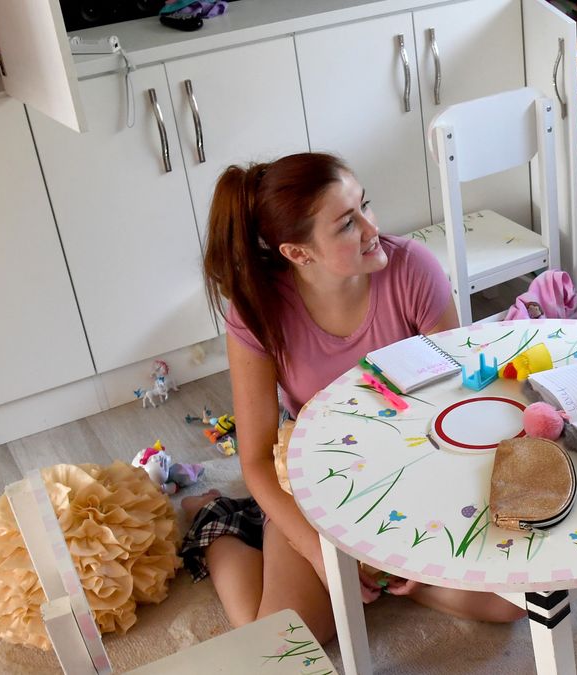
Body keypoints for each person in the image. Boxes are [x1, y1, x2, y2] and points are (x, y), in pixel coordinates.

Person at [182, 152, 526, 643]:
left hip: (417, 465)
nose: (372, 228)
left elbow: (458, 407)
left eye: (365, 205)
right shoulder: (257, 310)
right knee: (284, 640)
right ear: (298, 253)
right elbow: (256, 459)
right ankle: (214, 524)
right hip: (318, 481)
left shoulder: (412, 268)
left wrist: (417, 550)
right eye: (347, 224)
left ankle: (382, 578)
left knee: (510, 602)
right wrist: (321, 554)